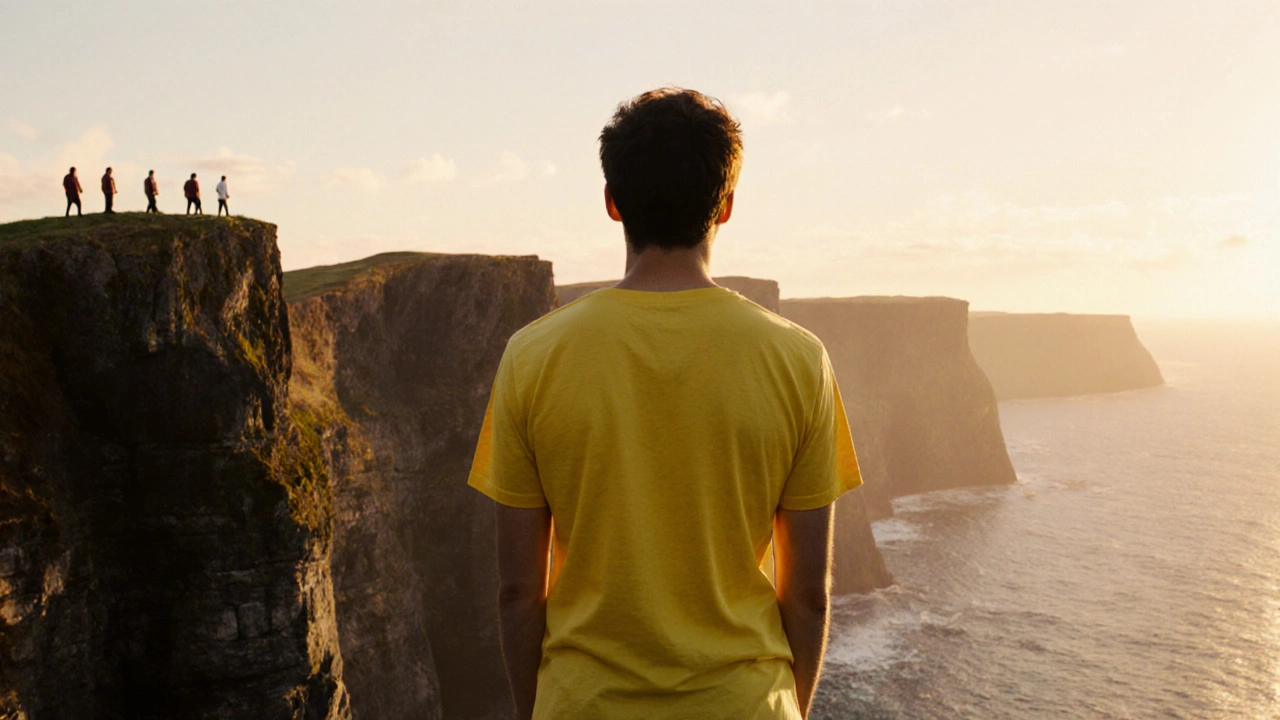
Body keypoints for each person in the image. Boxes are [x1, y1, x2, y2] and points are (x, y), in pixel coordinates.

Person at [468, 87, 861, 720]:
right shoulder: (798, 359)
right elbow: (809, 593)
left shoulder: (531, 356)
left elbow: (517, 590)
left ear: (612, 203)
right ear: (726, 205)